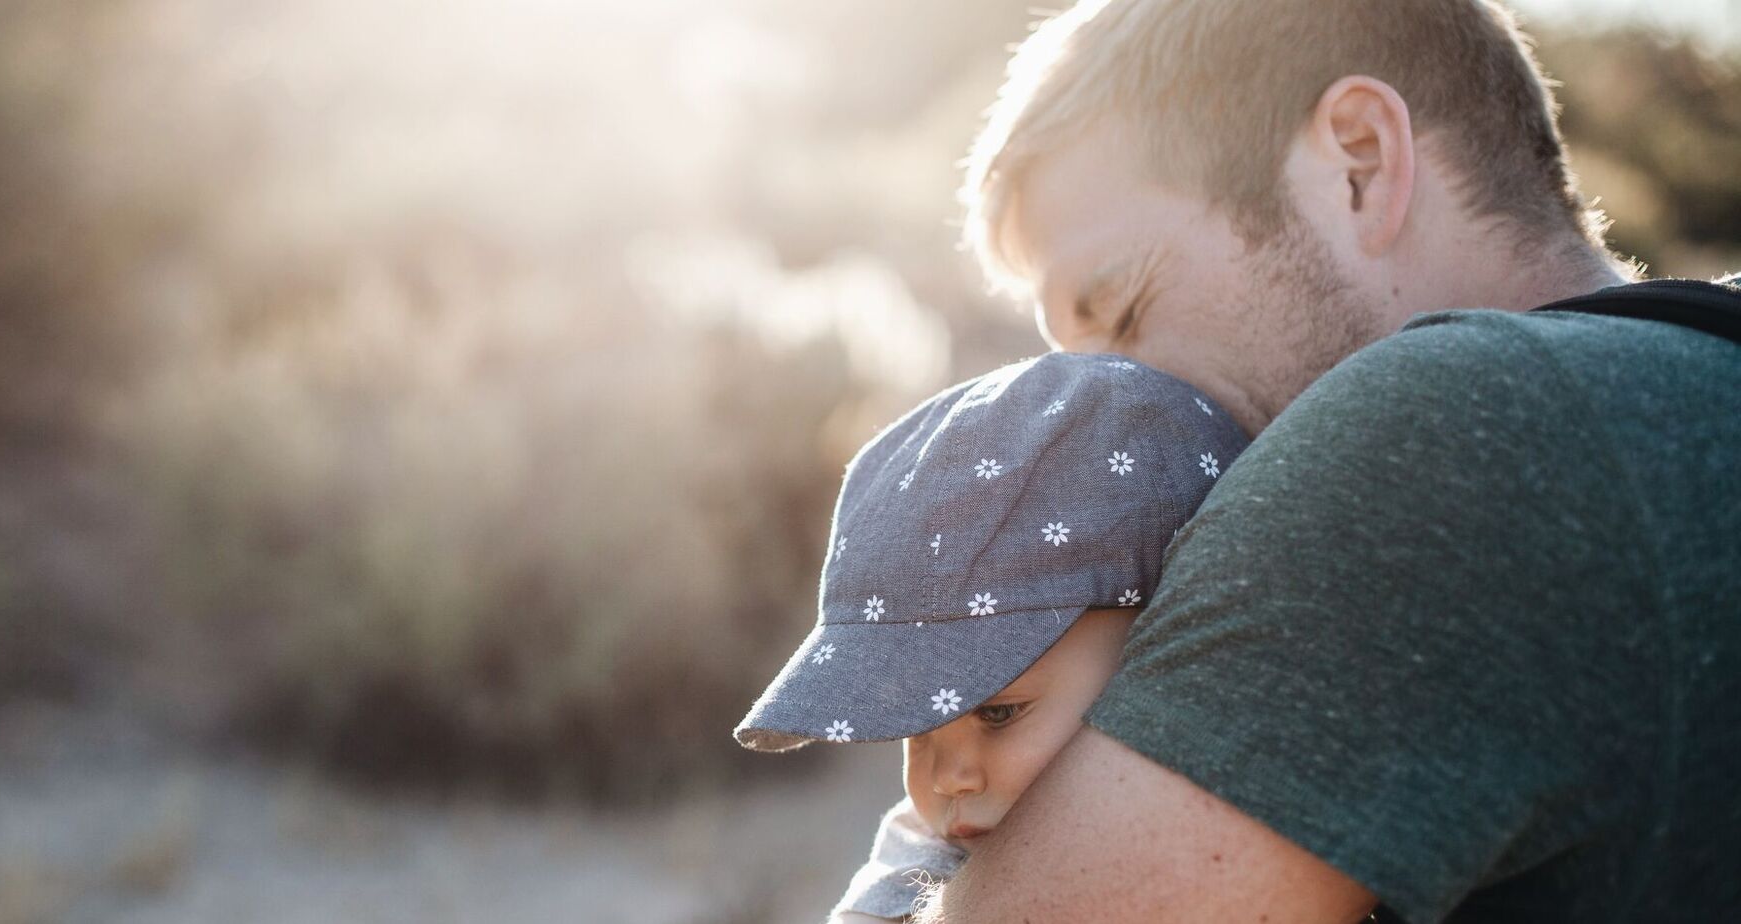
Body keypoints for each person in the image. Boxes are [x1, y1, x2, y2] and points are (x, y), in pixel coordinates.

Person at [908, 1, 1741, 922]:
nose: (1102, 415)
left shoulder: (1440, 434)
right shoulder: (1695, 380)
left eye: (1125, 310)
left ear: (1360, 161)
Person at [731, 352, 1248, 921]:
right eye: (917, 726)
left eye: (999, 713)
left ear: (1163, 639)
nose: (947, 779)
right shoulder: (915, 874)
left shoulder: (1258, 826)